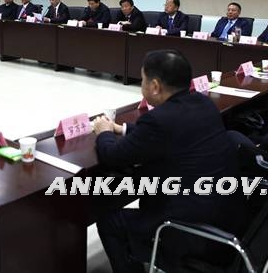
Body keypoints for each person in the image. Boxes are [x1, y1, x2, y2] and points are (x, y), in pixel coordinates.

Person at [93, 50, 244, 272]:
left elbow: (113, 156)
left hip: (190, 229)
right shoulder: (203, 103)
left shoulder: (158, 120)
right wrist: (121, 129)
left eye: (143, 80)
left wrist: (104, 132)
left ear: (155, 86)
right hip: (227, 214)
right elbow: (170, 133)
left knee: (109, 221)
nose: (141, 85)